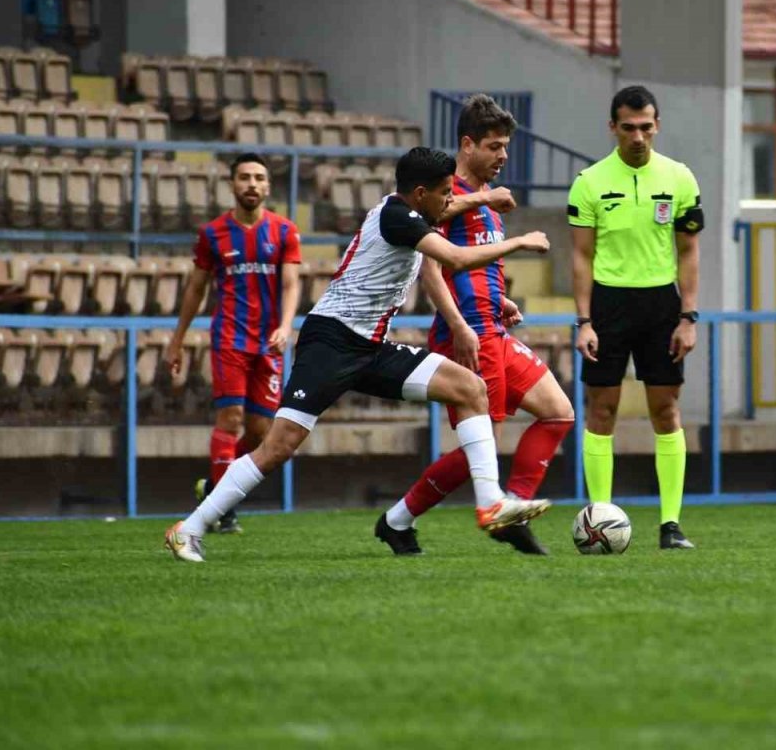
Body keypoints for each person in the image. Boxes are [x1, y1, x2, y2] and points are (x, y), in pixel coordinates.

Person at [164, 147, 553, 562]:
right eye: (443, 194)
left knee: (471, 388)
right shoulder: (398, 219)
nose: (449, 201)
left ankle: (490, 502)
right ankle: (189, 529)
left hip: (369, 346)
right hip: (330, 342)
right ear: (420, 194)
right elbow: (456, 258)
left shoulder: (409, 210)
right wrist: (520, 242)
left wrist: (485, 203)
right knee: (277, 447)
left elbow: (452, 211)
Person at [376, 95, 575, 557]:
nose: (503, 156)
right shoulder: (448, 197)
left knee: (558, 410)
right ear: (467, 145)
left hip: (493, 329)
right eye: (494, 146)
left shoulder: (483, 204)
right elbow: (429, 269)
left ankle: (511, 507)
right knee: (481, 446)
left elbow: (471, 266)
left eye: (506, 146)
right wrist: (459, 325)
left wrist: (499, 299)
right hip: (468, 335)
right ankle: (403, 519)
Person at [566, 85, 704, 550]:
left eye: (646, 126)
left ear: (657, 125)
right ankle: (598, 519)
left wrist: (688, 316)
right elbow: (581, 256)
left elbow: (689, 251)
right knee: (600, 411)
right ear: (613, 128)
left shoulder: (681, 178)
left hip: (662, 307)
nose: (638, 136)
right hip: (608, 306)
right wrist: (584, 321)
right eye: (629, 127)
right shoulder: (589, 182)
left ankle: (671, 525)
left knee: (665, 410)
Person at [164, 153, 302, 535]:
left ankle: (213, 489)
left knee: (261, 431)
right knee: (231, 419)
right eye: (244, 178)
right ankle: (223, 510)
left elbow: (291, 283)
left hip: (269, 342)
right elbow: (195, 288)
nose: (252, 184)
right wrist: (176, 340)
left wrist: (287, 325)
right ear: (232, 184)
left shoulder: (284, 231)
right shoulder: (213, 234)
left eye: (259, 178)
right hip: (230, 338)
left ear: (268, 187)